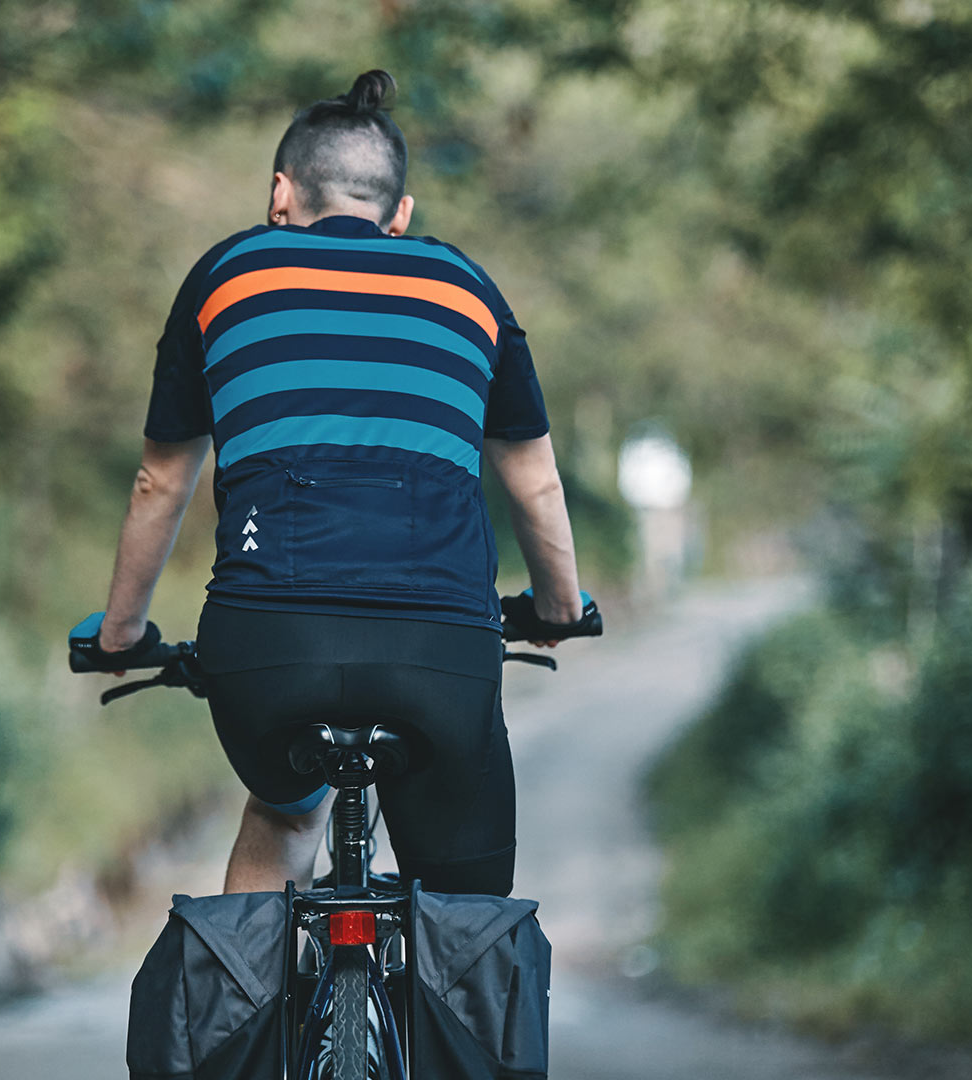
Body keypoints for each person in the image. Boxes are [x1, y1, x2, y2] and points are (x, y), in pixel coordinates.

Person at [79, 70, 595, 898]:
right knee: (465, 899)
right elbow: (533, 479)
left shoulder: (230, 277)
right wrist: (560, 610)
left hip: (266, 653)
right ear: (400, 214)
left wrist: (119, 637)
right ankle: (449, 1014)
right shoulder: (466, 289)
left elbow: (158, 483)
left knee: (285, 812)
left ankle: (241, 1024)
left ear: (280, 192)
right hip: (442, 651)